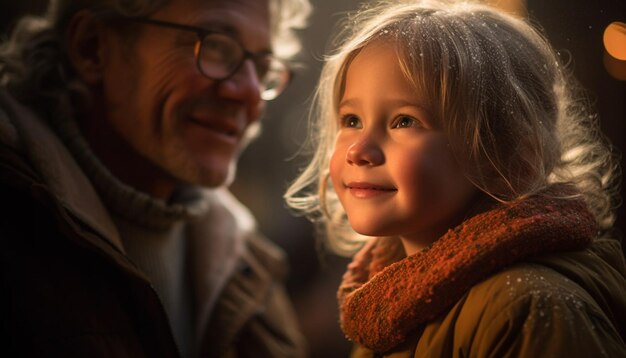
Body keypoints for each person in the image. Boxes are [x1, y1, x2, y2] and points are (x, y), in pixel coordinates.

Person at [285, 0, 626, 356]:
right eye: (351, 120)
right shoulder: (385, 306)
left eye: (404, 121)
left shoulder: (526, 308)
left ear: (510, 159)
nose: (358, 150)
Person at [0, 0, 311, 356]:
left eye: (263, 67)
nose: (250, 93)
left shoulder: (249, 266)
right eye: (214, 46)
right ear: (92, 49)